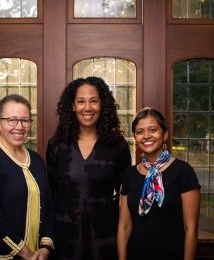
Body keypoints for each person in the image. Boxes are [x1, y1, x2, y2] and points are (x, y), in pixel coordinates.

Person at [46, 76, 131, 259]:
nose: (87, 108)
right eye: (81, 101)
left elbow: (125, 197)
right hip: (65, 240)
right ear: (72, 106)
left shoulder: (118, 145)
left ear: (102, 105)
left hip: (105, 239)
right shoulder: (57, 145)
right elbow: (52, 194)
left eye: (94, 101)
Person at [0, 94, 54, 260]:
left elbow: (48, 205)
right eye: (12, 120)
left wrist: (45, 247)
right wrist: (26, 253)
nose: (19, 126)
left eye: (25, 120)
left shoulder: (36, 159)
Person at [117, 107, 201, 260]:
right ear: (135, 138)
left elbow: (191, 229)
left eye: (153, 130)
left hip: (172, 253)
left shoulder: (183, 172)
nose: (146, 136)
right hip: (136, 253)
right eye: (140, 132)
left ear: (165, 135)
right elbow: (124, 227)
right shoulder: (129, 175)